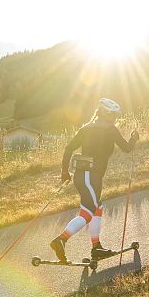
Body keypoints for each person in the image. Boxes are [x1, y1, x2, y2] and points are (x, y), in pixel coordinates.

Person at [50, 98, 139, 263]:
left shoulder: (86, 128)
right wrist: (134, 138)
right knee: (89, 211)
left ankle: (96, 247)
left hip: (83, 176)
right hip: (90, 176)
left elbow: (69, 148)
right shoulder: (110, 129)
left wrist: (64, 171)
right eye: (113, 115)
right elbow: (127, 148)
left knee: (97, 207)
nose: (115, 118)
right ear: (106, 113)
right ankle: (61, 240)